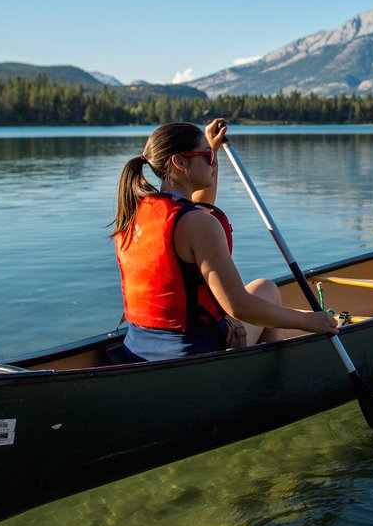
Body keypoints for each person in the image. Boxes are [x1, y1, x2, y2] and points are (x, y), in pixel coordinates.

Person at [112, 119, 336, 361]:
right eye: (206, 157)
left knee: (264, 289)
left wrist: (212, 148)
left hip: (138, 345)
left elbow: (201, 207)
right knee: (267, 289)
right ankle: (269, 385)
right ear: (178, 162)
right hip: (193, 350)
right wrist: (308, 321)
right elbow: (238, 305)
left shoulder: (135, 212)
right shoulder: (198, 224)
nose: (212, 163)